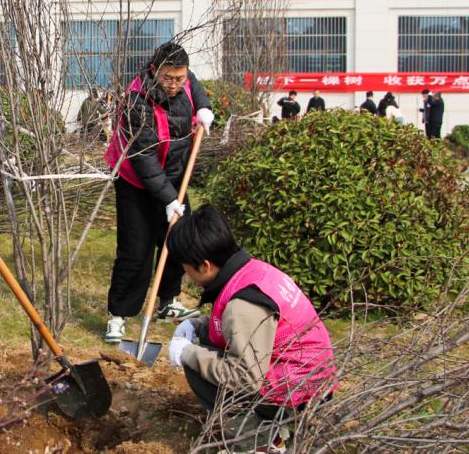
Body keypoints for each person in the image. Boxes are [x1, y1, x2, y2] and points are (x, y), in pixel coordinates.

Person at [166, 205, 337, 445]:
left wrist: (188, 354)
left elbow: (245, 377)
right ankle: (270, 425)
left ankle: (260, 440)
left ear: (204, 266)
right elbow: (239, 329)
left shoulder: (243, 305)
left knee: (196, 364)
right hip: (307, 378)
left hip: (297, 394)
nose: (187, 276)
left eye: (186, 269)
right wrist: (197, 325)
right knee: (203, 343)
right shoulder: (253, 271)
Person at [103, 42, 214, 343]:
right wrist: (168, 199)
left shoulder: (184, 80)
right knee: (135, 250)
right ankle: (118, 315)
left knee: (178, 238)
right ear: (155, 70)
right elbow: (144, 160)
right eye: (168, 78)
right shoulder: (136, 101)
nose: (175, 84)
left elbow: (194, 84)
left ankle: (167, 302)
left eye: (179, 78)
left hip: (175, 175)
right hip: (136, 181)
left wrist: (203, 106)